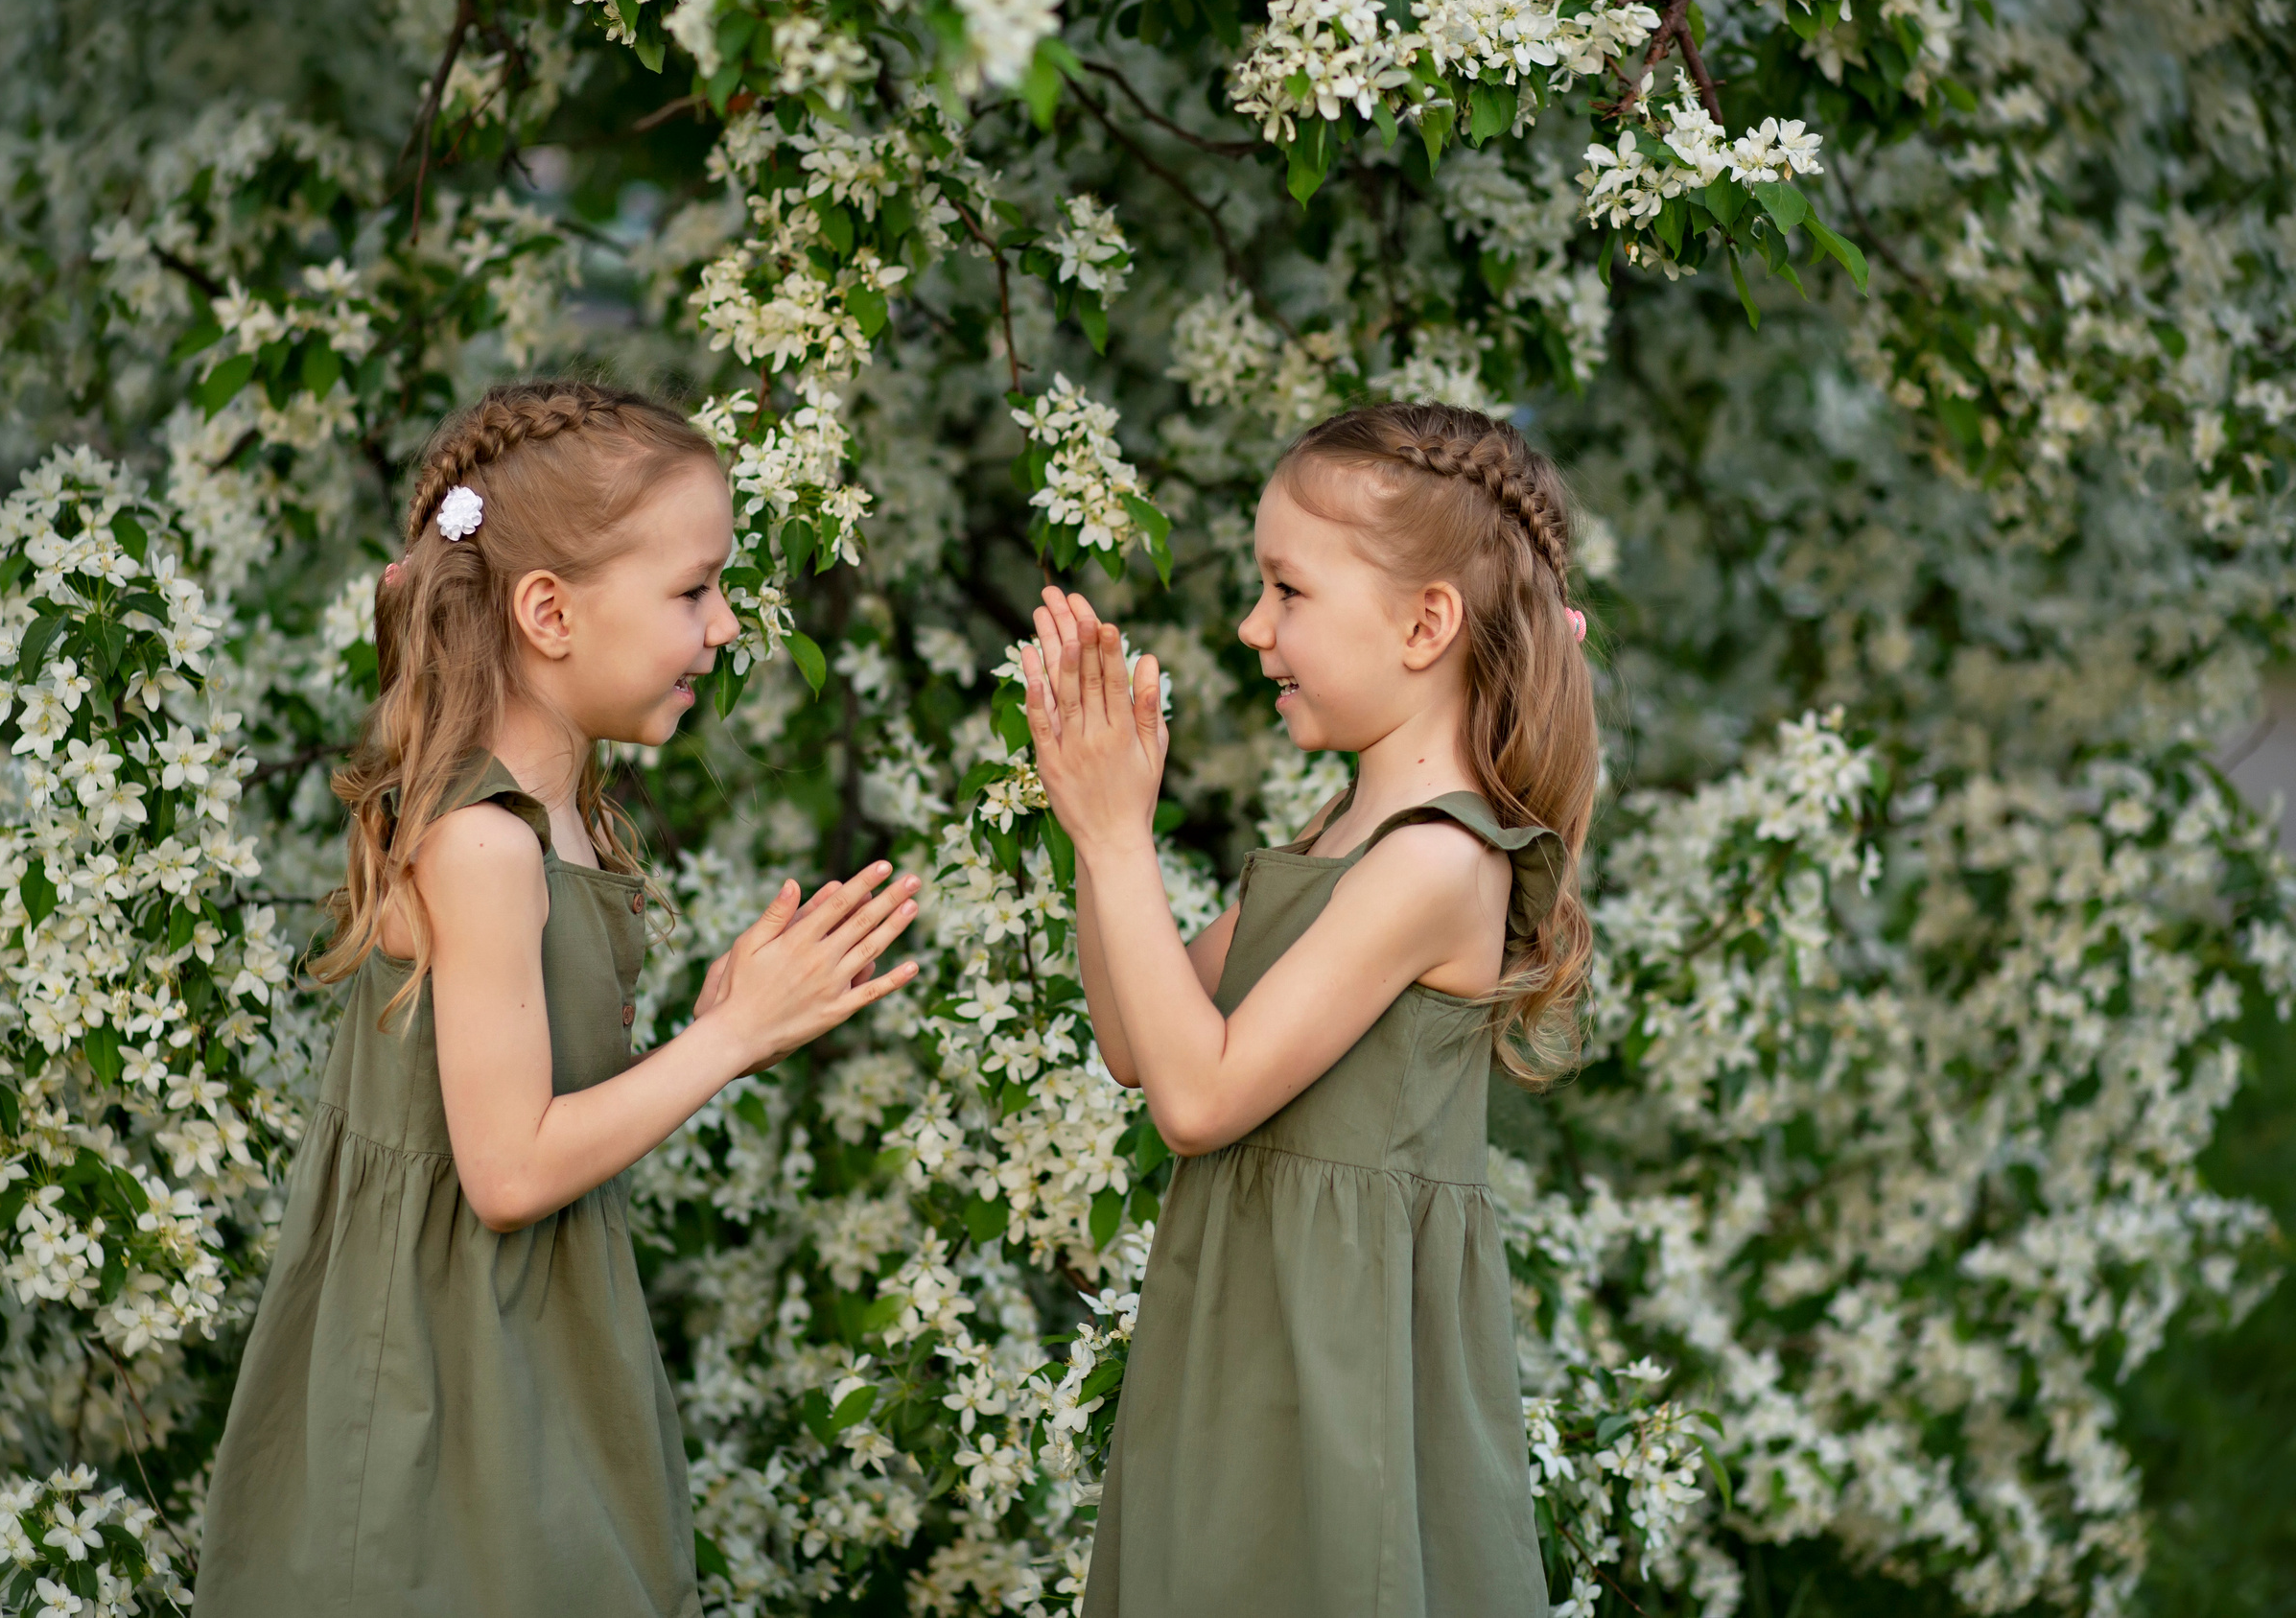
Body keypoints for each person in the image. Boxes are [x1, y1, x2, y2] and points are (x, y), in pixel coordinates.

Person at [194, 381, 923, 1618]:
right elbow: (510, 1172)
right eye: (693, 591)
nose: (725, 623)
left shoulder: (568, 820)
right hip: (441, 1383)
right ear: (548, 612)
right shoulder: (483, 846)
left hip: (528, 1348)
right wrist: (728, 1038)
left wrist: (711, 1027)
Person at [1024, 402, 1595, 1617]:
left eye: (1287, 590)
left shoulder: (1438, 861)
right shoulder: (1340, 836)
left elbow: (1198, 1099)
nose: (1252, 627)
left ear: (1423, 624)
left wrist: (1127, 838)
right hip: (1241, 1331)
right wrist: (1092, 822)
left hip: (1332, 1371)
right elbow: (1140, 1040)